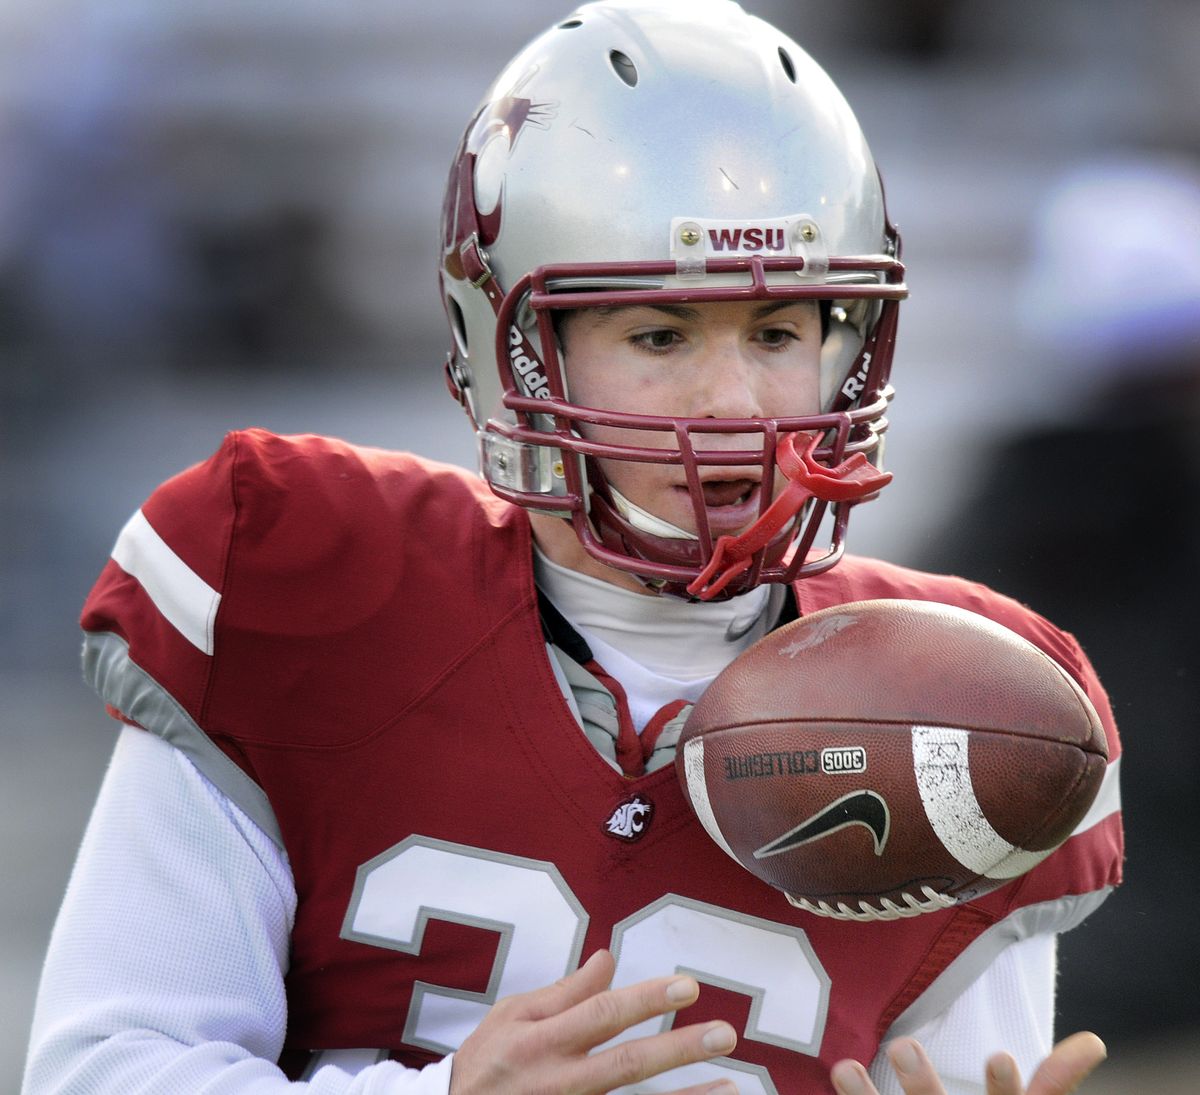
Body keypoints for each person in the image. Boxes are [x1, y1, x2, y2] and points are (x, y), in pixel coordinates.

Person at [23, 3, 1121, 1093]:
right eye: (659, 333)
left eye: (780, 331)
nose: (734, 403)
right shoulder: (313, 587)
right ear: (510, 351)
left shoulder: (969, 716)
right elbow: (102, 1070)